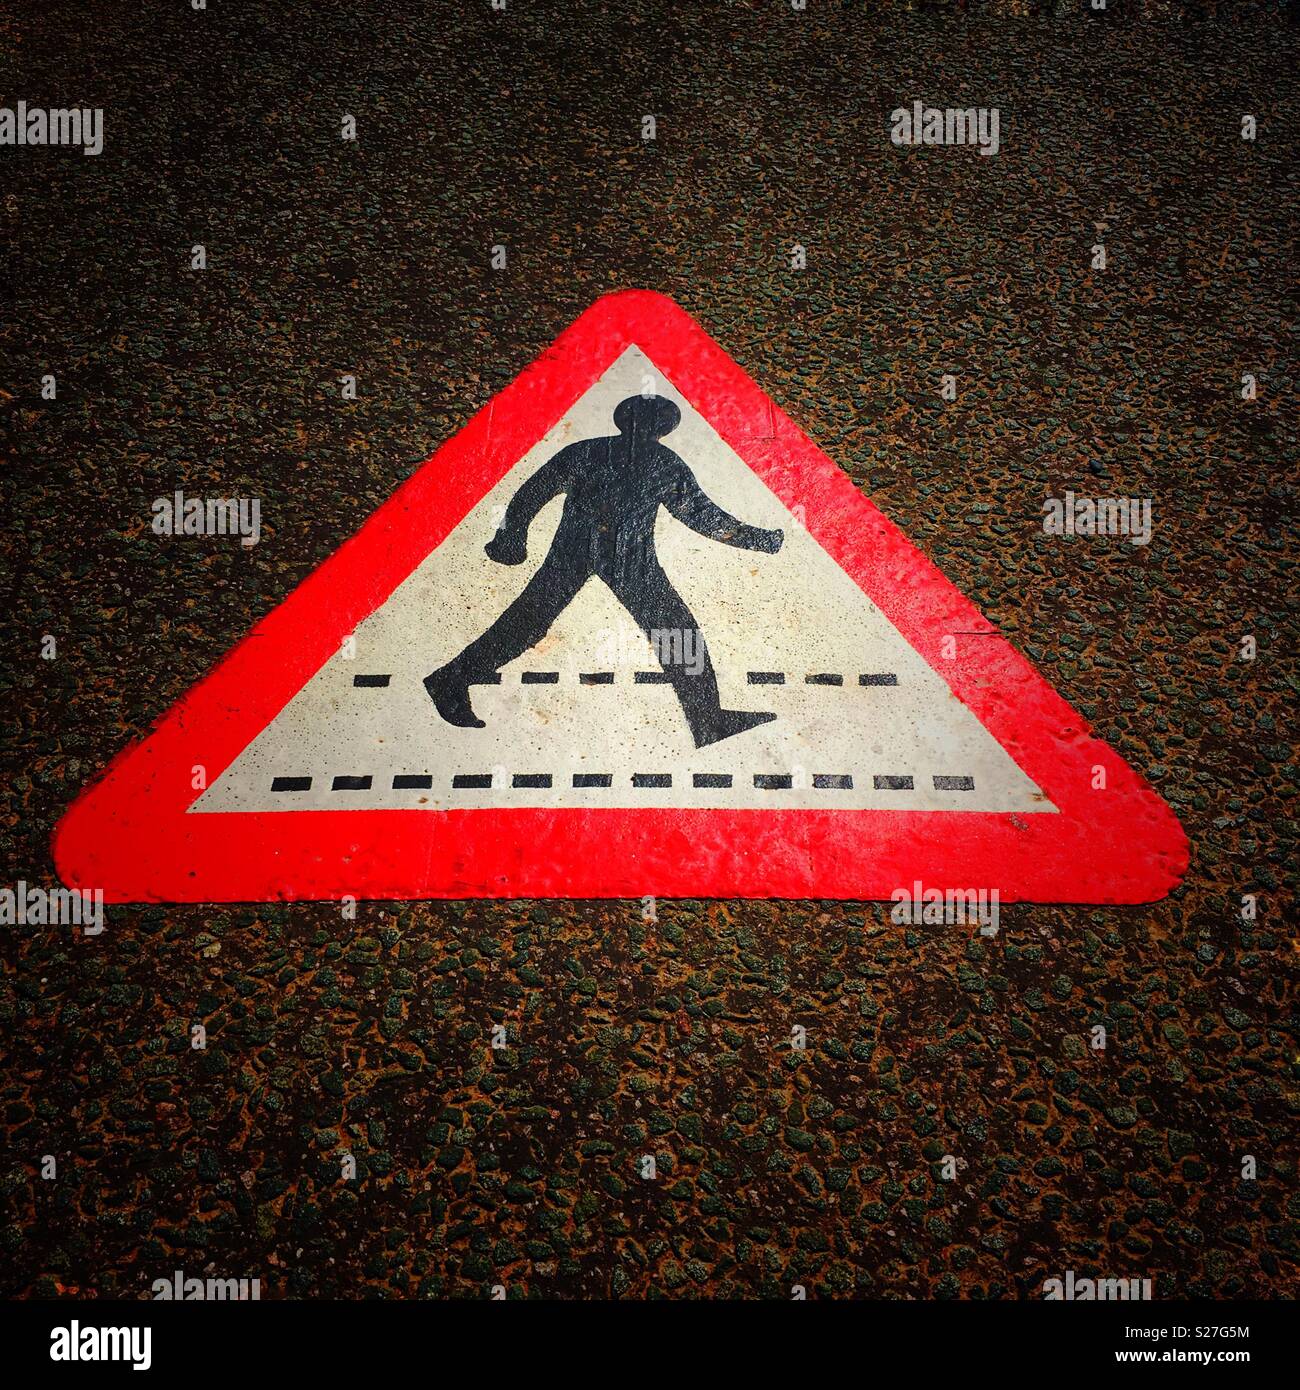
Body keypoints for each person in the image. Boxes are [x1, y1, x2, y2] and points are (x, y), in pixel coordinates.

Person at [424, 394, 784, 748]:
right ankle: (709, 720)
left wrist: (512, 538)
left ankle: (451, 679)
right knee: (670, 628)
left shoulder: (596, 452)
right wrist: (510, 538)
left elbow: (532, 493)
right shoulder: (652, 460)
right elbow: (702, 517)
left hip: (597, 552)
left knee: (535, 621)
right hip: (621, 556)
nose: (648, 428)